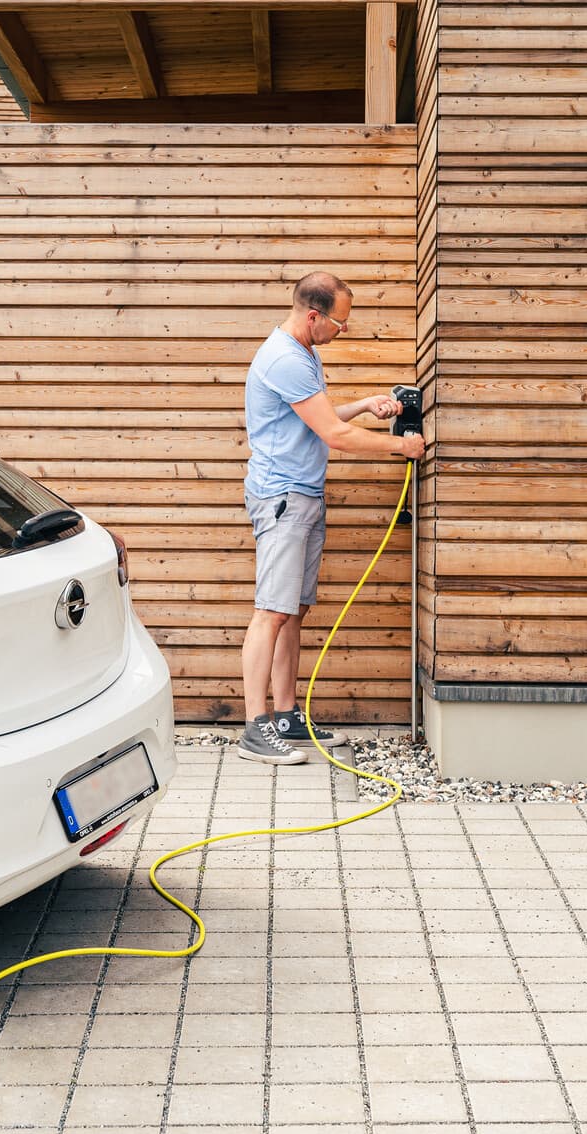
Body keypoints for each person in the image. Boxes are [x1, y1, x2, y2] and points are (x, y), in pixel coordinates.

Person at [238, 272, 427, 766]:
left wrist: (364, 405)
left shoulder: (304, 354)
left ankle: (283, 715)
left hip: (302, 495)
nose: (342, 332)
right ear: (313, 315)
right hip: (283, 498)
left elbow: (313, 414)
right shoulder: (285, 358)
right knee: (271, 612)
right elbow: (333, 436)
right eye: (340, 325)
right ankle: (255, 728)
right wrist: (399, 445)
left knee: (293, 610)